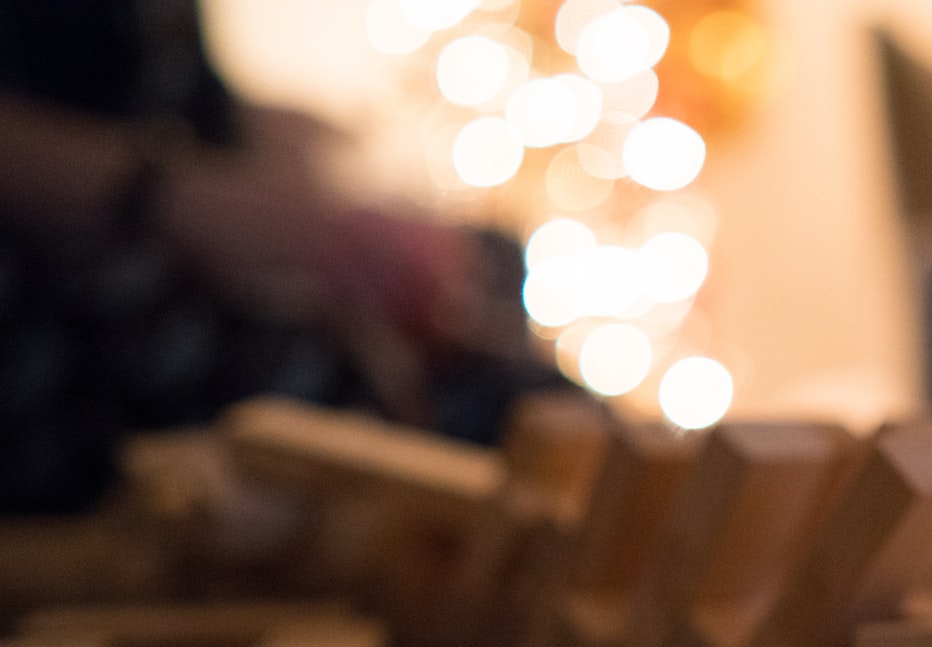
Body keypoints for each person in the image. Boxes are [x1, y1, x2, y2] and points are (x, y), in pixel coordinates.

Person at [0, 0, 542, 514]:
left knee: (490, 267)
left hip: (165, 203)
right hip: (55, 257)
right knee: (354, 392)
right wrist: (197, 203)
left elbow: (173, 90)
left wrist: (297, 168)